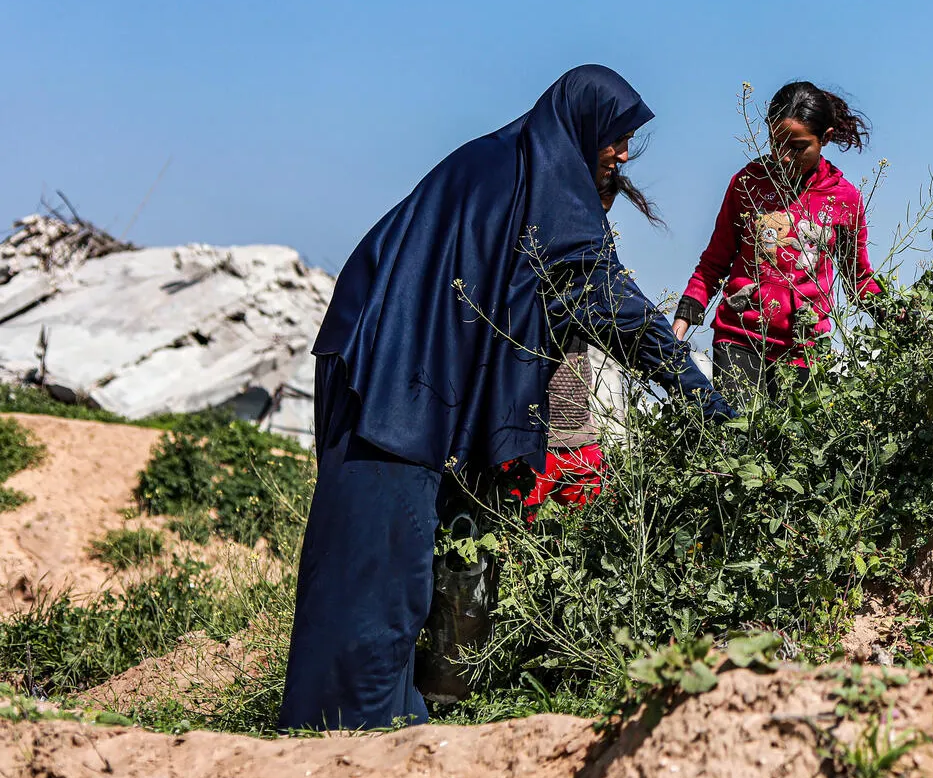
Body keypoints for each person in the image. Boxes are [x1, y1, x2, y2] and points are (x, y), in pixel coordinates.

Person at [279, 65, 724, 732]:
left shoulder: (506, 167)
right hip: (393, 383)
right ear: (582, 127)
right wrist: (700, 397)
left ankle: (371, 729)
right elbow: (612, 305)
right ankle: (342, 736)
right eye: (617, 136)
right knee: (376, 577)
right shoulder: (542, 189)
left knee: (388, 569)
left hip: (389, 369)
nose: (624, 153)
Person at [674, 81, 882, 396]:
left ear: (824, 139)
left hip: (805, 350)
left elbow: (858, 278)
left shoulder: (844, 199)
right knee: (738, 428)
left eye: (797, 147)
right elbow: (714, 262)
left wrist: (897, 316)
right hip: (738, 341)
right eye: (776, 143)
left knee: (797, 430)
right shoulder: (748, 183)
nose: (784, 158)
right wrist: (682, 321)